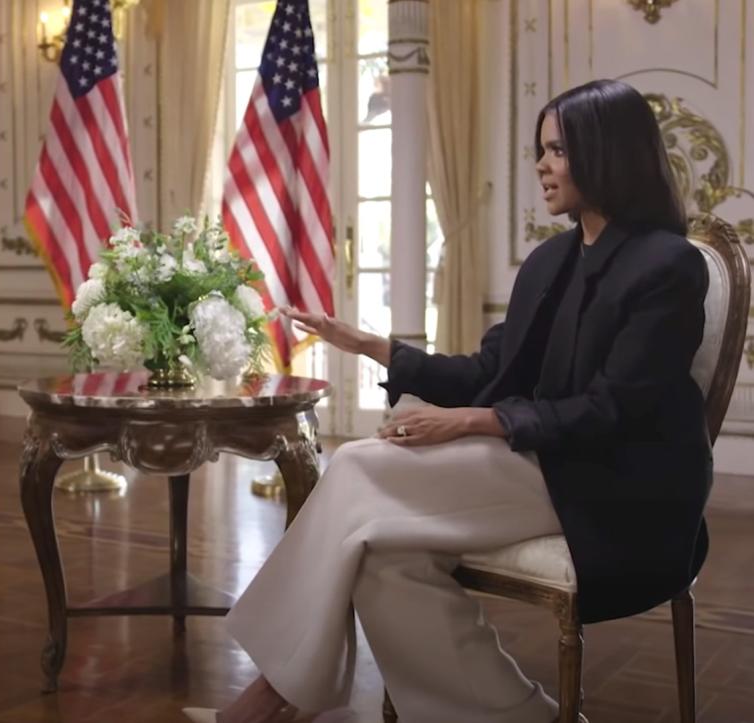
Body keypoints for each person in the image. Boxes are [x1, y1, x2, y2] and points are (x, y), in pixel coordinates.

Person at [185, 78, 711, 723]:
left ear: (606, 153)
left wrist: (478, 421)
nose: (542, 165)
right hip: (541, 459)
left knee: (352, 464)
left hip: (615, 486)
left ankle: (276, 694)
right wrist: (373, 345)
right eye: (540, 150)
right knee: (385, 563)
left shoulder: (668, 266)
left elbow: (615, 411)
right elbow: (488, 369)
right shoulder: (551, 262)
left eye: (557, 151)